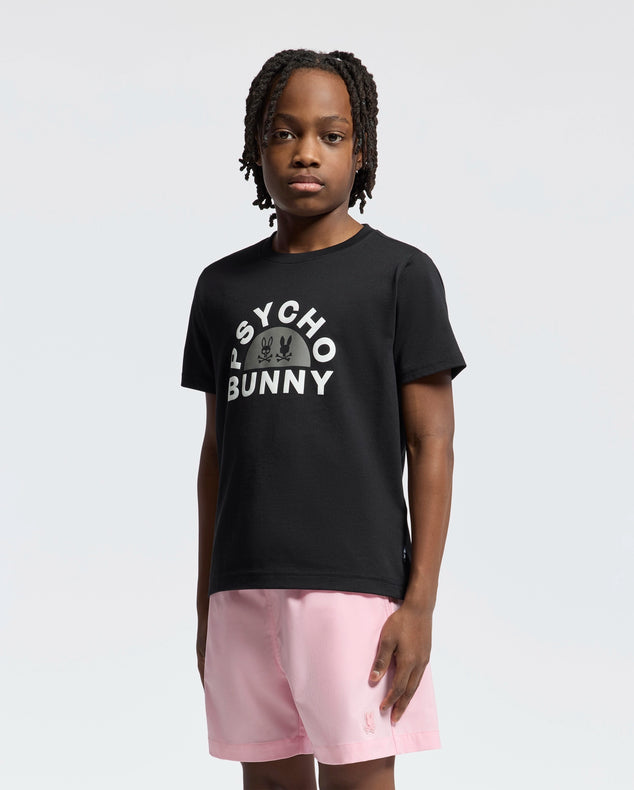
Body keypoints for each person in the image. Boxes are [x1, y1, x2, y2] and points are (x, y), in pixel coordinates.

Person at [180, 48, 466, 790]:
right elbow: (217, 453)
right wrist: (206, 600)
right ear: (257, 147)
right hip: (242, 584)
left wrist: (420, 603)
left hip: (354, 588)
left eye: (331, 135)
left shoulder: (400, 275)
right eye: (285, 132)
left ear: (360, 151)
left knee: (358, 779)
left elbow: (432, 442)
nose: (306, 152)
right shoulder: (221, 287)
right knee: (269, 781)